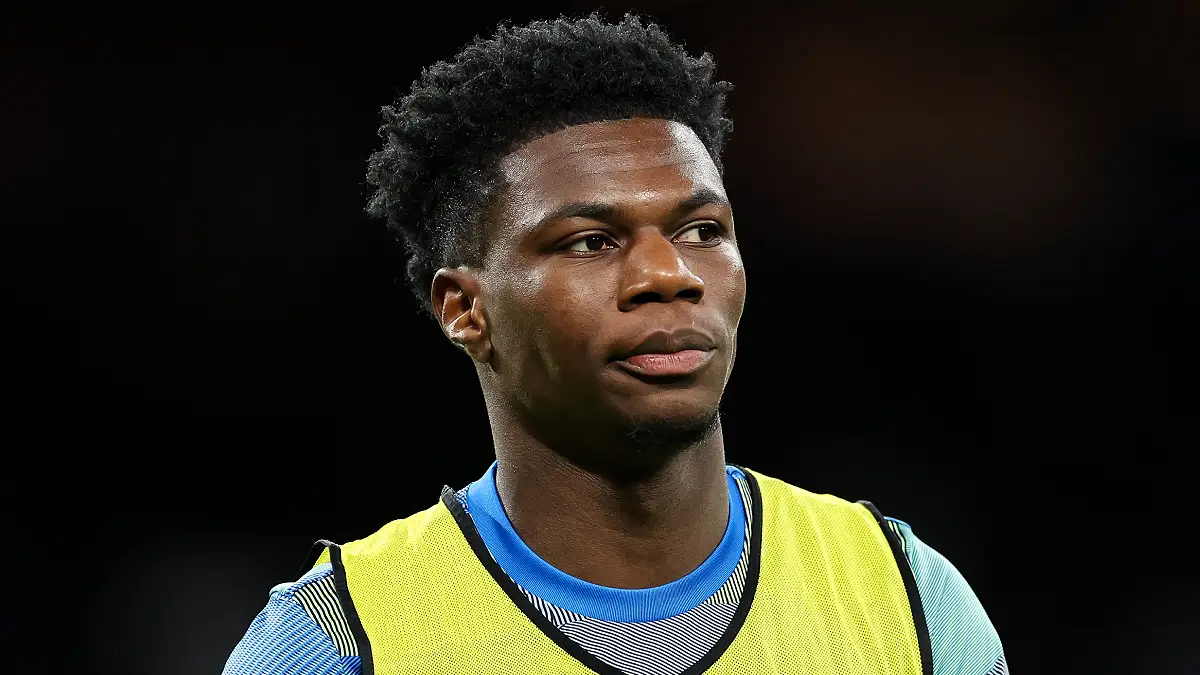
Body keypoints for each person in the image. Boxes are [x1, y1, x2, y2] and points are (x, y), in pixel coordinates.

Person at [223, 13, 1006, 675]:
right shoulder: (341, 640)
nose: (669, 276)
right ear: (465, 308)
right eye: (592, 242)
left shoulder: (904, 596)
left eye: (702, 231)